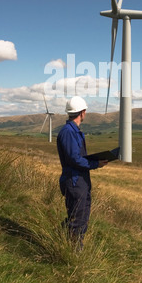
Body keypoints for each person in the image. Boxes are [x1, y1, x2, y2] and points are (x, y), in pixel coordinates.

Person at [57, 96, 107, 249]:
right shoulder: (68, 132)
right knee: (77, 219)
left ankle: (63, 240)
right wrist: (95, 163)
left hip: (80, 180)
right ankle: (73, 252)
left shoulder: (74, 131)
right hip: (74, 180)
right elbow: (75, 159)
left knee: (82, 215)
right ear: (82, 112)